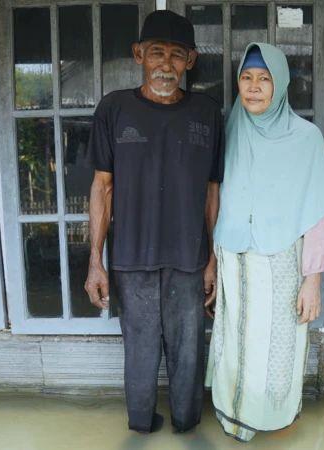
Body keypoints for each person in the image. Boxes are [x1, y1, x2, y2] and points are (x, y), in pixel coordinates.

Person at [84, 10, 224, 434]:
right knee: (140, 350)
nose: (166, 65)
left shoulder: (207, 112)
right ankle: (142, 427)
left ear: (191, 60)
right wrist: (95, 260)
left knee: (188, 353)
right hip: (131, 257)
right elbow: (102, 188)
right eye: (156, 53)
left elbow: (213, 191)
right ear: (138, 55)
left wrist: (214, 257)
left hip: (189, 257)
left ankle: (186, 427)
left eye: (177, 56)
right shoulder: (114, 108)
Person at [206, 43, 324, 442]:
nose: (255, 88)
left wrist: (312, 279)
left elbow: (318, 215)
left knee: (277, 344)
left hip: (280, 261)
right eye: (247, 77)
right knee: (236, 340)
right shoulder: (229, 128)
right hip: (232, 256)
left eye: (265, 79)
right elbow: (214, 195)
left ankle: (274, 418)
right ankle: (234, 417)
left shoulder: (306, 138)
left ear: (281, 86)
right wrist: (210, 261)